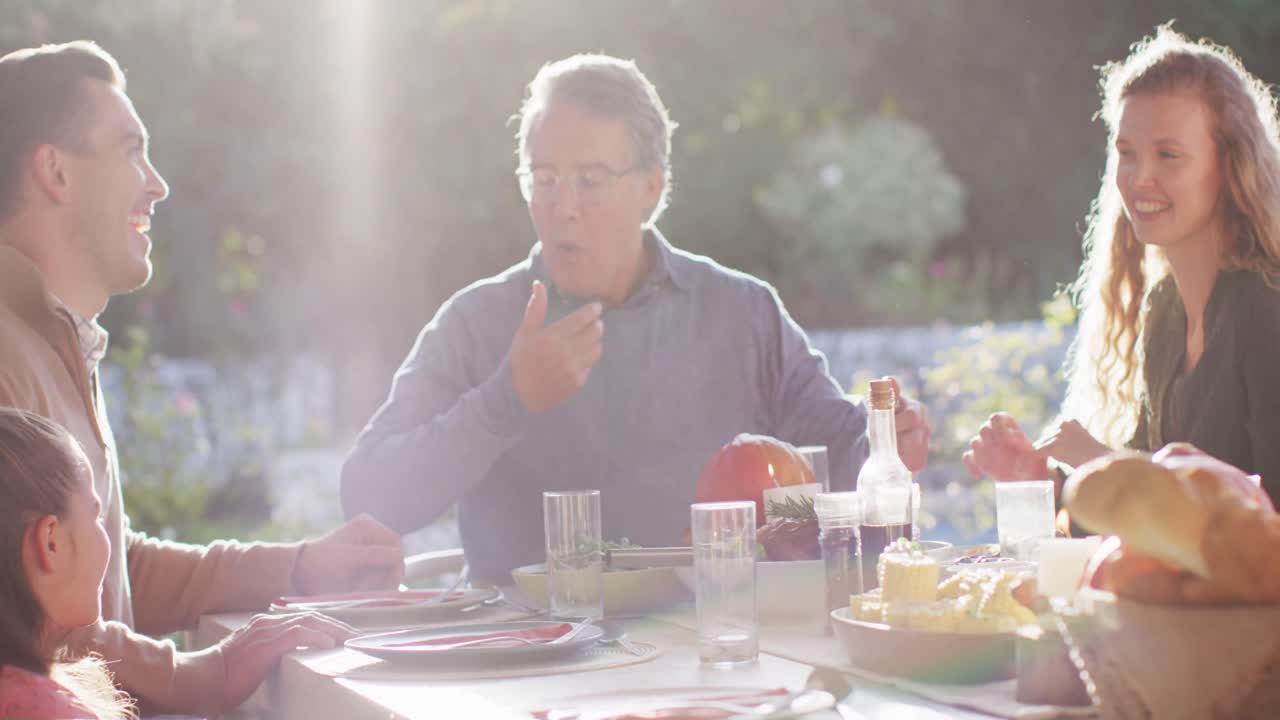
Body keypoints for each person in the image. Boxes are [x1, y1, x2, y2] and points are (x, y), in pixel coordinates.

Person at [340, 53, 931, 584]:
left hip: (718, 639)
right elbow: (369, 499)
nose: (562, 207)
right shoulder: (477, 321)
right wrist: (506, 401)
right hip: (527, 662)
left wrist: (887, 441)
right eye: (544, 180)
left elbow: (834, 461)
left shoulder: (741, 311)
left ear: (652, 187)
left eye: (590, 181)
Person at [0, 41, 403, 716]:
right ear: (55, 172)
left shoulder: (51, 343)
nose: (157, 183)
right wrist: (196, 673)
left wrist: (300, 566)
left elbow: (107, 568)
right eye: (131, 149)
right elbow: (25, 625)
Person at [964, 26, 1280, 502]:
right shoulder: (1165, 313)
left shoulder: (1266, 306)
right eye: (1127, 154)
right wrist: (1041, 481)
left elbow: (1265, 521)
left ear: (1232, 164)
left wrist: (1102, 462)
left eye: (1168, 155)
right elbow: (1144, 516)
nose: (1139, 178)